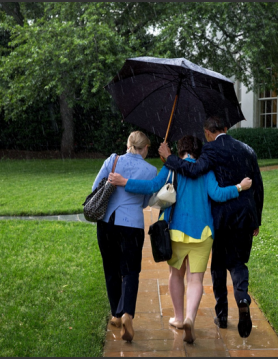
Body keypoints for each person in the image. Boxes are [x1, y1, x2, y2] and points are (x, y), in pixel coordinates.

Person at [108, 135, 252, 344]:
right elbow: (218, 194)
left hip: (175, 231)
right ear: (198, 151)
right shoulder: (205, 170)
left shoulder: (171, 168)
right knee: (195, 279)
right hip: (202, 233)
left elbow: (151, 187)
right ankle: (190, 319)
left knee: (176, 275)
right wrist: (239, 187)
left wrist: (124, 182)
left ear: (180, 149)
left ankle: (177, 317)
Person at [158, 116, 264, 339]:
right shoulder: (248, 150)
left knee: (218, 265)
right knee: (238, 262)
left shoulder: (210, 150)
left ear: (207, 132)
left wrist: (168, 158)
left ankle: (222, 315)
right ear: (226, 128)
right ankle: (242, 297)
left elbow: (194, 171)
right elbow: (258, 187)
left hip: (222, 216)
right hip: (245, 216)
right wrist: (257, 219)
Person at [92, 131, 157, 343]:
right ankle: (128, 313)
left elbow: (95, 189)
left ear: (128, 144)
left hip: (107, 224)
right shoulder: (150, 170)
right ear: (145, 148)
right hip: (132, 226)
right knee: (130, 271)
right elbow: (146, 201)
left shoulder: (113, 160)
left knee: (111, 269)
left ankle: (116, 314)